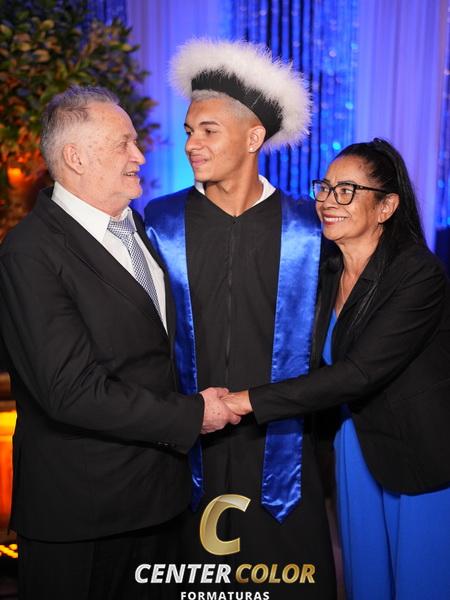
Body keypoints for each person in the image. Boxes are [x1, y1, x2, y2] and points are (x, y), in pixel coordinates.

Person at [0, 85, 239, 600]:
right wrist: (194, 415)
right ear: (75, 158)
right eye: (123, 144)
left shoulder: (137, 228)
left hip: (160, 503)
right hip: (85, 518)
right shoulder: (30, 252)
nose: (140, 156)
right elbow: (71, 392)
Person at [145, 39, 336, 598]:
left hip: (284, 459)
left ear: (254, 138)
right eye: (188, 130)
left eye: (208, 130)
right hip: (186, 452)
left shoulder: (309, 230)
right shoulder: (160, 223)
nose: (191, 144)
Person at [224, 139, 450, 600]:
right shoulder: (327, 269)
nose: (328, 201)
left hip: (418, 454)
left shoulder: (417, 274)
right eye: (325, 187)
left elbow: (358, 374)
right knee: (366, 584)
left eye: (346, 191)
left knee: (419, 585)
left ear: (386, 206)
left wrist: (246, 401)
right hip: (355, 448)